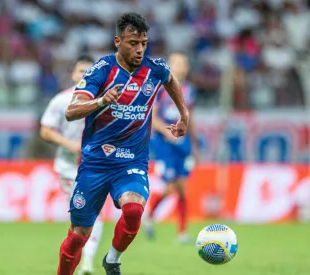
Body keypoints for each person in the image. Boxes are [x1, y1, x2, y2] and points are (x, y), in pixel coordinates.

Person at [56, 12, 189, 275]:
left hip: (131, 162)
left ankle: (113, 259)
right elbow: (72, 111)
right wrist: (102, 101)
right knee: (79, 235)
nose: (139, 49)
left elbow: (170, 79)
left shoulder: (154, 69)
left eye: (143, 43)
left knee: (133, 208)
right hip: (95, 165)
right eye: (132, 43)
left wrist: (183, 114)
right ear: (118, 41)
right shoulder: (102, 70)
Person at [40, 55, 103, 275]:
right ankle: (76, 261)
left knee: (94, 214)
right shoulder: (61, 101)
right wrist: (70, 145)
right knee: (81, 217)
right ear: (73, 74)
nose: (85, 75)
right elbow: (46, 130)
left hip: (96, 167)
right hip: (69, 168)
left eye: (89, 72)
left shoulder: (104, 100)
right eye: (81, 71)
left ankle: (86, 263)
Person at [145, 52, 199, 244]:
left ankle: (182, 232)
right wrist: (168, 134)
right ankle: (150, 217)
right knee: (169, 189)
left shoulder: (190, 90)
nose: (181, 67)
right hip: (165, 143)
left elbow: (189, 117)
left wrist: (194, 144)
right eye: (177, 63)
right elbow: (153, 116)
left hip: (182, 143)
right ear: (169, 65)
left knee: (183, 189)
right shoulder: (160, 88)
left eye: (184, 63)